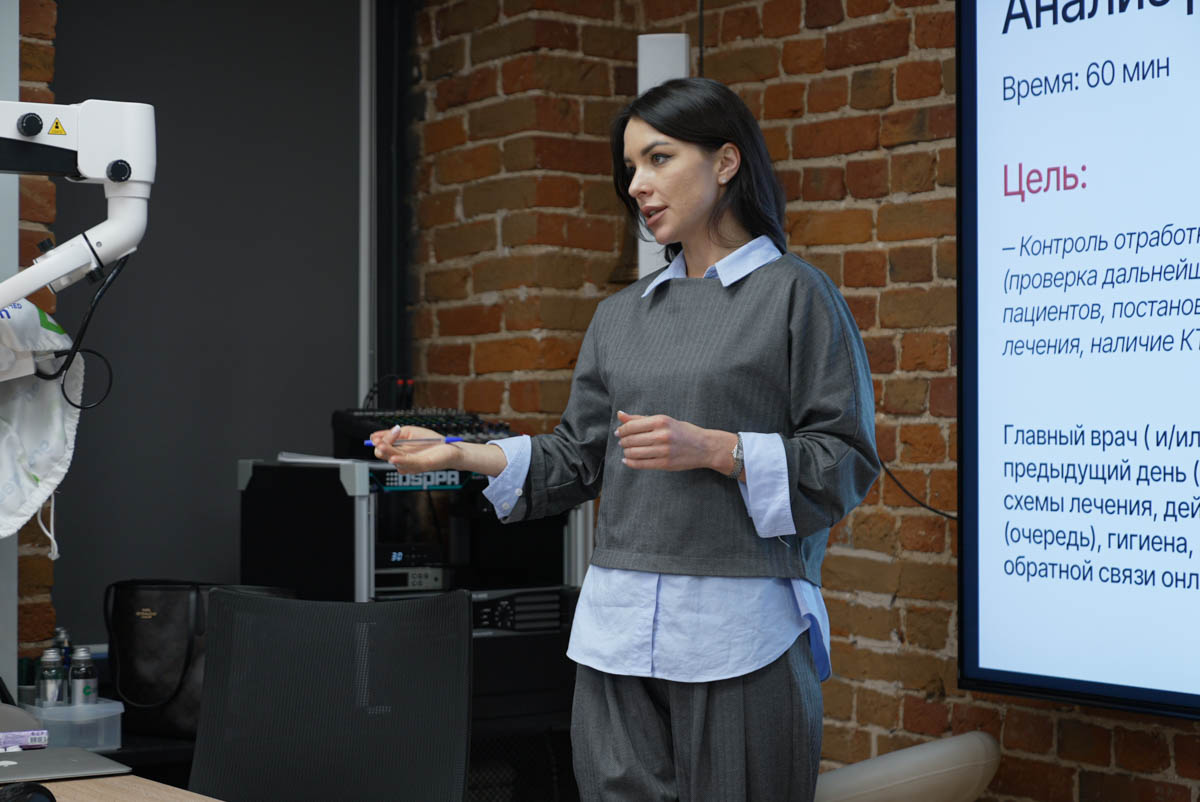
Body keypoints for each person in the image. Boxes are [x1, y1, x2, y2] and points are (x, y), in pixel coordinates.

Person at [372, 77, 880, 802]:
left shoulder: (797, 295)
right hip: (617, 629)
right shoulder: (620, 317)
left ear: (726, 161)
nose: (638, 185)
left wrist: (716, 449)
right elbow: (578, 458)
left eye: (659, 158)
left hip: (740, 632)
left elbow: (845, 461)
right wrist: (460, 454)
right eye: (631, 168)